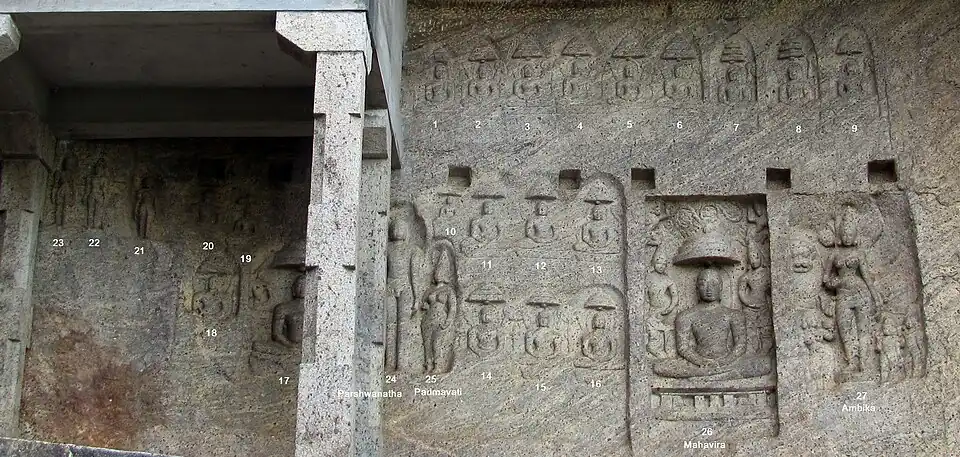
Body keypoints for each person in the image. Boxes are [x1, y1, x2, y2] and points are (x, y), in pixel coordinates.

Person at [653, 268, 772, 380]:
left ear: (721, 287)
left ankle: (708, 376)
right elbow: (683, 348)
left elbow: (740, 346)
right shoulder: (686, 316)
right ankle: (720, 375)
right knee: (660, 367)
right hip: (698, 363)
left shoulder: (734, 315)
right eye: (703, 284)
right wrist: (702, 362)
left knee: (765, 364)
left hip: (728, 362)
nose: (709, 289)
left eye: (714, 284)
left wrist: (724, 361)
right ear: (697, 288)